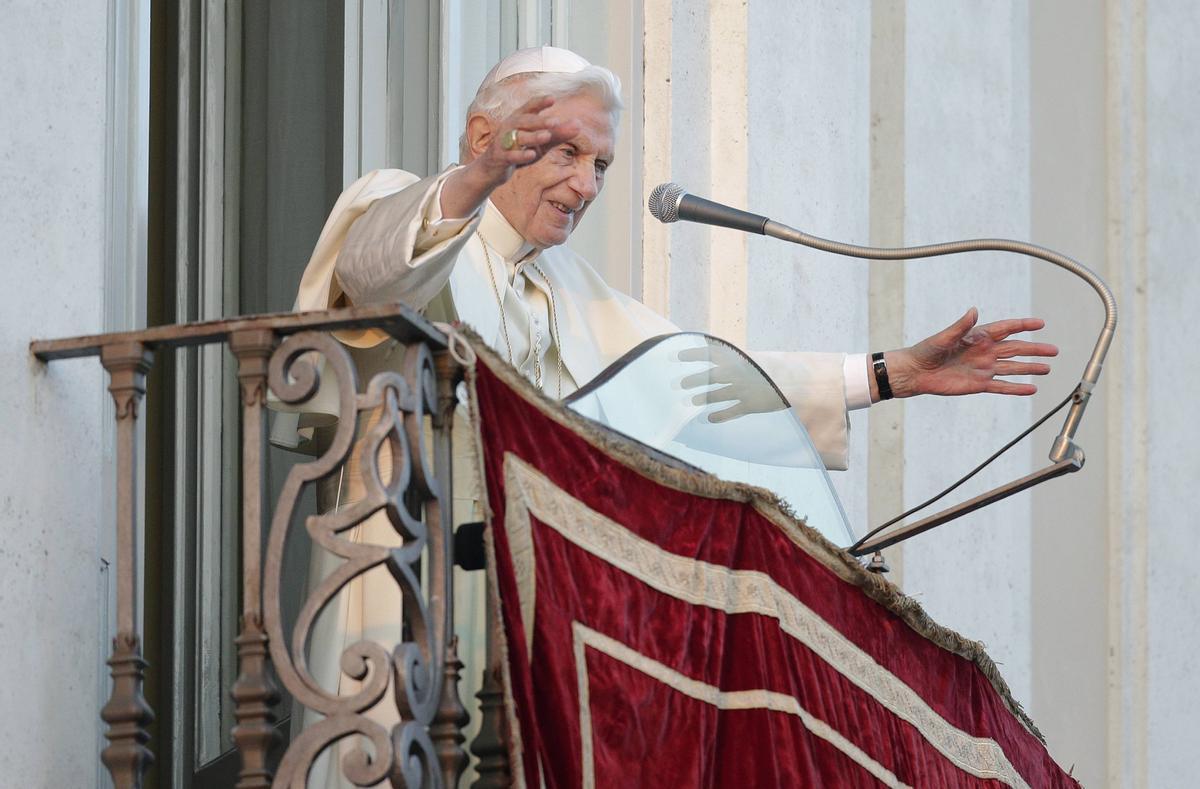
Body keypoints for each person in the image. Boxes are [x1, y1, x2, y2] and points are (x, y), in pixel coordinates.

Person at [283, 46, 1057, 786]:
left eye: (601, 166)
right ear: (487, 137)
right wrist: (472, 179)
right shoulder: (408, 202)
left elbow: (705, 385)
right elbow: (378, 269)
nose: (587, 187)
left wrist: (891, 374)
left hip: (528, 628)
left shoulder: (573, 288)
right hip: (411, 594)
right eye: (566, 154)